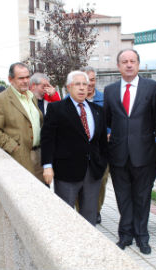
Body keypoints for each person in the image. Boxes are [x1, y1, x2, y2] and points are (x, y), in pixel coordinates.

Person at [103, 49, 156, 255]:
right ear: (118, 66)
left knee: (142, 198)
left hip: (144, 154)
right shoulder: (110, 90)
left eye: (132, 61)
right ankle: (125, 235)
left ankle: (142, 237)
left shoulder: (152, 87)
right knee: (123, 198)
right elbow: (108, 120)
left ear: (138, 64)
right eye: (124, 61)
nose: (129, 65)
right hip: (118, 154)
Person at [41, 70, 108, 226]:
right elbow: (47, 139)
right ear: (68, 87)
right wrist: (47, 166)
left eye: (85, 84)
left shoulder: (97, 110)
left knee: (90, 215)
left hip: (92, 172)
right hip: (66, 172)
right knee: (66, 216)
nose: (82, 88)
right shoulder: (56, 109)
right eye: (77, 84)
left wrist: (102, 163)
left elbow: (102, 141)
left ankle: (88, 245)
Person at [0, 62, 44, 183]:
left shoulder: (32, 97)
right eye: (21, 78)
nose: (25, 81)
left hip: (40, 156)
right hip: (20, 158)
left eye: (27, 77)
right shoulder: (0, 100)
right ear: (10, 79)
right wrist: (14, 147)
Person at [81, 66, 109, 224]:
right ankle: (83, 212)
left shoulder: (105, 99)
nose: (89, 83)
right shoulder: (73, 100)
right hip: (80, 152)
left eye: (92, 80)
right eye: (86, 80)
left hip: (100, 151)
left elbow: (111, 121)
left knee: (101, 182)